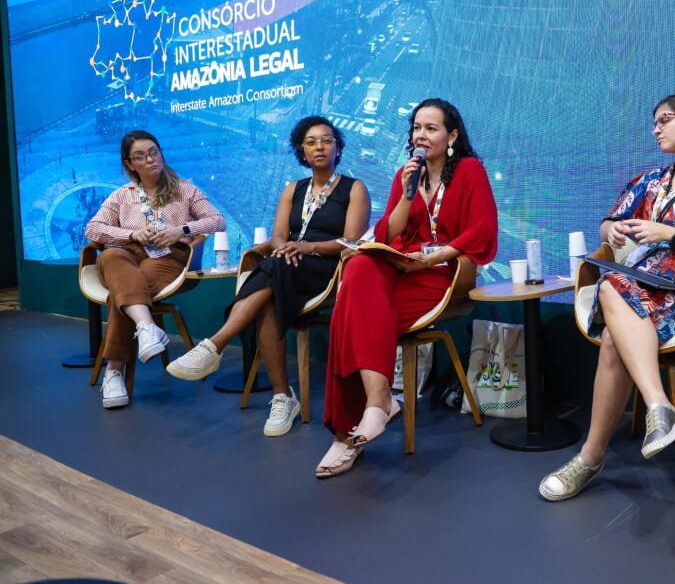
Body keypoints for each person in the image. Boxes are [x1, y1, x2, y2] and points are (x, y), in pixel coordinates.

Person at [538, 94, 675, 501]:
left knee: (610, 332)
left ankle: (589, 458)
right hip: (640, 279)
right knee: (613, 288)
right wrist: (611, 233)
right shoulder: (648, 181)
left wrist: (670, 235)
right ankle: (658, 406)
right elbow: (608, 222)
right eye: (653, 122)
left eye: (663, 120)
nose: (655, 129)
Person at [316, 98, 498, 478]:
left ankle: (344, 433)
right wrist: (407, 194)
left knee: (348, 315)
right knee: (362, 264)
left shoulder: (469, 170)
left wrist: (434, 258)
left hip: (440, 273)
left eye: (431, 128)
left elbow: (479, 231)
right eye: (417, 127)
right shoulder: (407, 173)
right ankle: (379, 402)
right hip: (404, 267)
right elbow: (388, 232)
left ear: (452, 135)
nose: (421, 135)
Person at [166, 116, 370, 436]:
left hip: (325, 268)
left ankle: (215, 345)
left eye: (327, 140)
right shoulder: (293, 189)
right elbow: (277, 236)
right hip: (287, 263)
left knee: (272, 270)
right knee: (270, 290)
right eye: (311, 142)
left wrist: (306, 247)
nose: (320, 147)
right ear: (302, 151)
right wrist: (286, 247)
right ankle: (281, 397)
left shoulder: (354, 188)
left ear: (338, 148)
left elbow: (350, 241)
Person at [85, 131, 225, 409]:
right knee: (111, 256)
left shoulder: (186, 190)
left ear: (161, 153)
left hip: (167, 258)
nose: (149, 159)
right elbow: (92, 228)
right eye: (140, 156)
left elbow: (217, 221)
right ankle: (146, 326)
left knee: (122, 294)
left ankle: (113, 371)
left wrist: (180, 231)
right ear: (129, 164)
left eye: (153, 152)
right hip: (127, 256)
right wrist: (131, 235)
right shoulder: (121, 196)